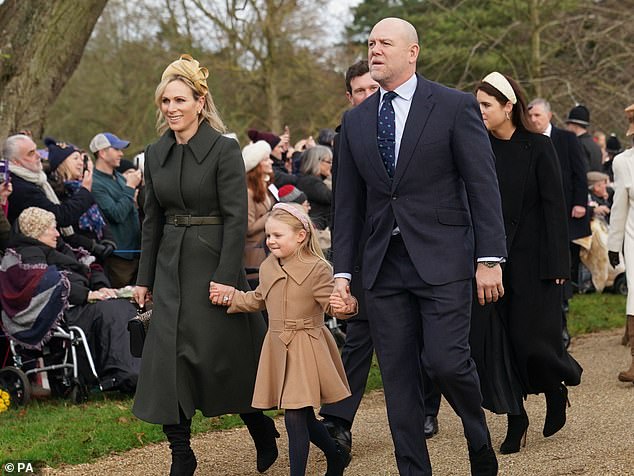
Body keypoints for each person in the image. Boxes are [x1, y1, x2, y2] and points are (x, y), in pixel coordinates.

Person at [332, 18, 507, 476]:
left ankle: (477, 434)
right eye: (370, 43)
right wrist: (343, 275)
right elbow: (347, 207)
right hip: (382, 269)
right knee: (398, 381)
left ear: (412, 52)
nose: (374, 50)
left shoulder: (453, 106)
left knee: (448, 363)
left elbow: (482, 185)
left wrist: (489, 258)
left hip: (444, 258)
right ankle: (414, 468)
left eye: (384, 43)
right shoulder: (354, 122)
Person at [132, 54, 277, 476]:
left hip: (213, 264)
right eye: (165, 101)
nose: (172, 108)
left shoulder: (223, 148)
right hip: (170, 266)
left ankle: (259, 426)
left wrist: (224, 278)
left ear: (200, 101)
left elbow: (236, 219)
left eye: (180, 99)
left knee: (222, 360)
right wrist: (143, 280)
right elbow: (151, 220)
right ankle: (182, 453)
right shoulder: (155, 153)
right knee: (167, 362)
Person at [473, 72, 583, 454]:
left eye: (486, 104)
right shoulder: (477, 147)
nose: (480, 111)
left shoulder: (538, 146)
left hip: (535, 262)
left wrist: (558, 266)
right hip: (489, 263)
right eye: (477, 104)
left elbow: (555, 207)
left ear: (508, 106)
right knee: (496, 345)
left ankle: (555, 387)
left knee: (532, 341)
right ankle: (515, 417)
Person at [211, 203, 356, 476]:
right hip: (278, 345)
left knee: (294, 416)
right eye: (268, 236)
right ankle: (336, 455)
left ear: (301, 236)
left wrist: (346, 306)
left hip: (306, 346)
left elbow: (332, 306)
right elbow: (258, 298)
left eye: (278, 235)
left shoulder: (317, 269)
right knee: (302, 416)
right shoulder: (267, 266)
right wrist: (231, 295)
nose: (270, 241)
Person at [8, 207, 140, 392]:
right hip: (60, 313)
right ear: (36, 231)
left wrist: (101, 287)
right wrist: (86, 294)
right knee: (114, 311)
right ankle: (128, 375)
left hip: (84, 305)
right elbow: (44, 283)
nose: (57, 233)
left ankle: (145, 370)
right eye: (51, 229)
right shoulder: (26, 254)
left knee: (137, 307)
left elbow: (90, 265)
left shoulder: (63, 249)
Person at [528, 98, 590, 347]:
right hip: (536, 216)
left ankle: (561, 324)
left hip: (564, 214)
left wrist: (579, 203)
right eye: (530, 116)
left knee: (561, 266)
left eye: (538, 116)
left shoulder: (566, 139)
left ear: (549, 116)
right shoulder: (526, 140)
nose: (533, 120)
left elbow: (579, 174)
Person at [44, 137, 117, 262]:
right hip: (76, 256)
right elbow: (66, 229)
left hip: (99, 255)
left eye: (81, 159)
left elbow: (101, 218)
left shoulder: (81, 187)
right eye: (75, 158)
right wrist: (92, 245)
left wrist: (109, 241)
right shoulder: (55, 192)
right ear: (62, 163)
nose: (80, 163)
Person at [3, 134, 95, 230]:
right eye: (31, 153)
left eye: (36, 150)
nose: (38, 155)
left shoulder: (38, 179)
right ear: (15, 161)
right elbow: (61, 217)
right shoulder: (19, 187)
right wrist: (85, 190)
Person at [90, 132, 141, 288]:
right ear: (102, 153)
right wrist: (130, 187)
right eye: (117, 149)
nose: (121, 153)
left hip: (135, 252)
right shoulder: (95, 183)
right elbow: (116, 214)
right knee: (122, 303)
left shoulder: (119, 177)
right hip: (118, 257)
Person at [607, 103, 634, 384]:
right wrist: (614, 245)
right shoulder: (624, 162)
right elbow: (619, 207)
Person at [242, 140, 275, 288]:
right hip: (255, 255)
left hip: (268, 251)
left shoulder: (266, 188)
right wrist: (271, 215)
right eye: (266, 159)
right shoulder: (248, 194)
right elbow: (248, 228)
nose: (271, 162)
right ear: (257, 165)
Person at [297, 145, 333, 231]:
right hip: (317, 230)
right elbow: (332, 198)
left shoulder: (311, 180)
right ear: (317, 162)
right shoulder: (310, 182)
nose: (331, 165)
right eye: (329, 162)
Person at [565, 104, 603, 172]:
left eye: (568, 125)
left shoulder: (577, 145)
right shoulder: (595, 145)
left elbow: (581, 171)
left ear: (575, 126)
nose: (567, 128)